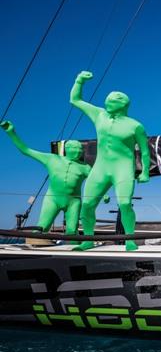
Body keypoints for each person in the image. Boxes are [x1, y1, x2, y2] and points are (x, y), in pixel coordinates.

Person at [69, 71, 150, 251]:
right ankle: (88, 240)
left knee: (124, 203)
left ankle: (130, 239)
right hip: (100, 168)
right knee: (87, 204)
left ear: (123, 104)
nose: (107, 103)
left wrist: (145, 171)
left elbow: (145, 151)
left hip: (123, 169)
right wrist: (79, 80)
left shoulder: (135, 125)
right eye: (107, 100)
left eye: (112, 101)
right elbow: (75, 100)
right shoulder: (99, 115)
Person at [1, 120, 92, 235]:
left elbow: (97, 182)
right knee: (42, 227)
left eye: (80, 149)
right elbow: (26, 150)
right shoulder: (52, 159)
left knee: (72, 230)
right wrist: (11, 132)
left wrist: (103, 195)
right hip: (52, 199)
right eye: (75, 148)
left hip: (74, 202)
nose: (79, 151)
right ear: (67, 149)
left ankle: (75, 250)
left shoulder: (85, 167)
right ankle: (34, 247)